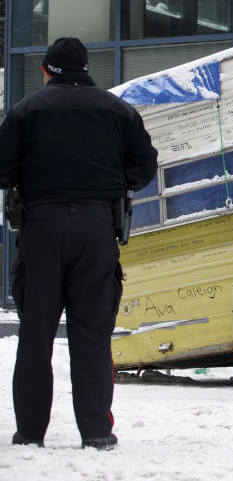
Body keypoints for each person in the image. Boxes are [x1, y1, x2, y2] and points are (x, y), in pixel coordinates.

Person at [0, 37, 158, 450]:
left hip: (42, 228)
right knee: (91, 337)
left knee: (35, 337)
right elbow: (144, 166)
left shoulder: (26, 110)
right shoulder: (118, 110)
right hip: (96, 229)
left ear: (48, 70)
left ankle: (30, 433)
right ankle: (97, 433)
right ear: (87, 70)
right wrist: (111, 184)